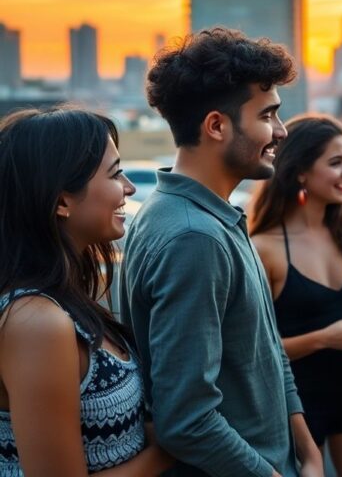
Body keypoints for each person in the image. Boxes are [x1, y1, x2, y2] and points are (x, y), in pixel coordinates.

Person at [119, 28, 323, 477]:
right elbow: (186, 421)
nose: (281, 131)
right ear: (217, 125)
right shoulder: (194, 238)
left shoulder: (211, 216)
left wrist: (307, 452)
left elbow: (266, 351)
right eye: (268, 115)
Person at [0, 107, 173, 476]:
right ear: (62, 201)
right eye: (115, 174)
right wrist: (172, 449)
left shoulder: (68, 299)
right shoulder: (35, 321)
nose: (129, 187)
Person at [250, 114, 342, 477]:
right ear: (300, 172)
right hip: (295, 402)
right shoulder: (263, 248)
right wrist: (326, 338)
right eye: (336, 162)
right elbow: (256, 351)